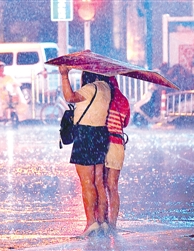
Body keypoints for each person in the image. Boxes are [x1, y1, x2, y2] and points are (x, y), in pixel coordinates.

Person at [58, 65, 111, 238]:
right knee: (98, 182)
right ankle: (102, 221)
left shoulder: (89, 89)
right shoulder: (106, 88)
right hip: (101, 134)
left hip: (86, 135)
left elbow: (69, 97)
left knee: (87, 182)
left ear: (86, 75)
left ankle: (91, 223)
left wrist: (64, 75)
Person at [103, 76, 131, 234]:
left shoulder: (104, 97)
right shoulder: (124, 100)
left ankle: (103, 220)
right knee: (113, 187)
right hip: (118, 144)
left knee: (101, 185)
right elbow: (125, 123)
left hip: (104, 144)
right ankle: (113, 224)